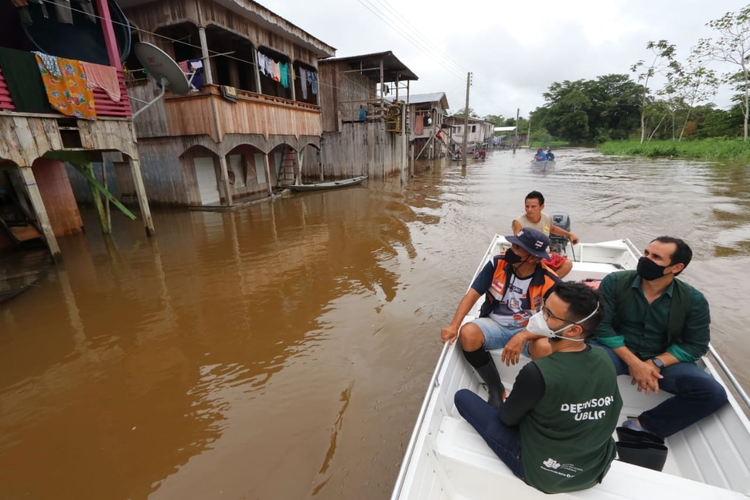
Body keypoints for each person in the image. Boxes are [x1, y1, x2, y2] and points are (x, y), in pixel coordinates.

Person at [454, 282, 622, 494]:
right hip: (593, 471)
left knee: (463, 397)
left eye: (548, 314)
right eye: (543, 308)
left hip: (543, 473)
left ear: (574, 329)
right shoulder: (604, 358)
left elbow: (507, 419)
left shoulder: (538, 371)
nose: (539, 317)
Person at [593, 236, 728, 438]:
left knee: (713, 394)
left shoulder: (693, 300)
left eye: (656, 257)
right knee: (581, 366)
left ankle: (643, 425)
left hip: (662, 359)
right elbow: (601, 328)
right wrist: (635, 363)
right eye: (646, 253)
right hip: (616, 351)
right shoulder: (615, 282)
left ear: (676, 267)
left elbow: (696, 345)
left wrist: (655, 362)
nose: (645, 259)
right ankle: (578, 417)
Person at [441, 228, 561, 408]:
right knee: (467, 333)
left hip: (529, 330)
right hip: (495, 324)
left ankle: (534, 396)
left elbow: (557, 322)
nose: (511, 251)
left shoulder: (550, 281)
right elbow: (472, 295)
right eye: (513, 245)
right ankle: (496, 388)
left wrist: (523, 336)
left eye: (518, 249)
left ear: (533, 258)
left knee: (545, 348)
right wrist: (454, 325)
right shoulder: (497, 264)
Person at [512, 191, 579, 279]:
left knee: (567, 264)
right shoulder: (518, 222)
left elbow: (552, 228)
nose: (529, 210)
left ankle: (547, 284)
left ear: (541, 207)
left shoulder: (546, 218)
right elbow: (517, 245)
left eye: (533, 206)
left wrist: (569, 234)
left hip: (544, 254)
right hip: (527, 257)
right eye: (527, 206)